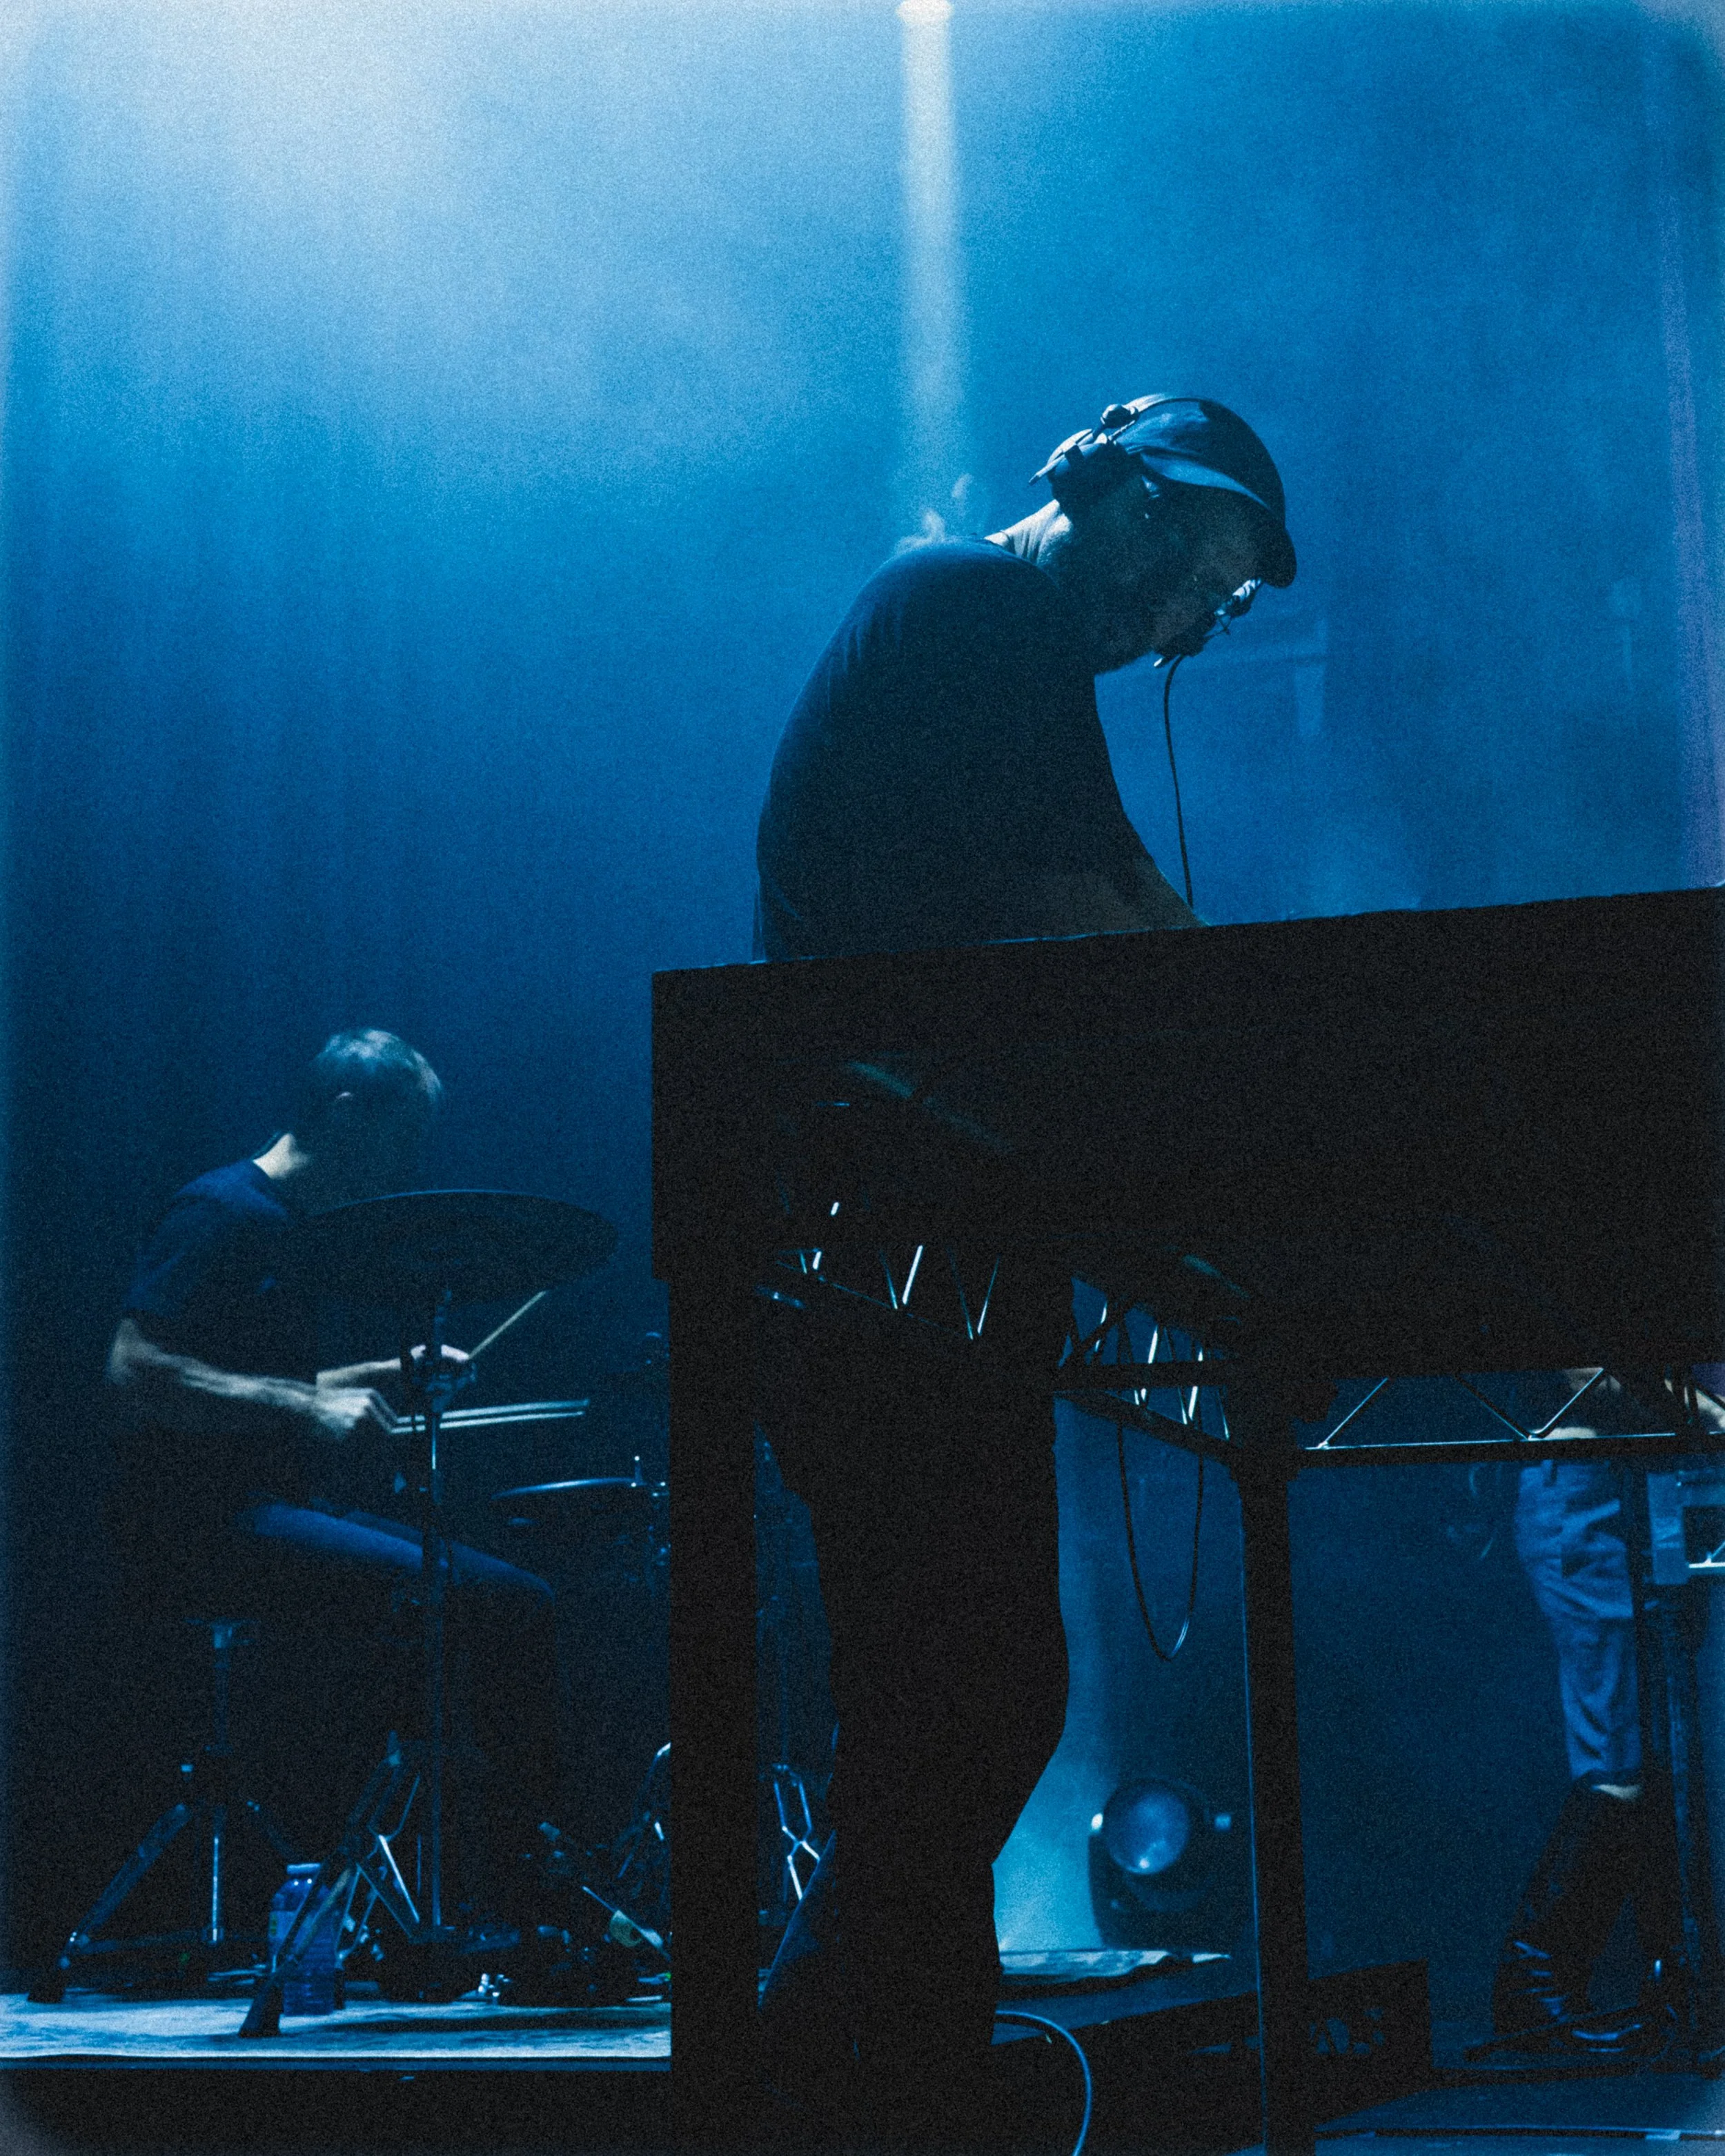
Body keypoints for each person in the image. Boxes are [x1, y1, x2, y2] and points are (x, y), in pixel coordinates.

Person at [753, 397, 1297, 2148]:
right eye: (1208, 582)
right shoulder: (963, 607)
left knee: (967, 1689)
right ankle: (812, 2084)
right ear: (1131, 505)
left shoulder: (1015, 660)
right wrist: (1293, 1080)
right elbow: (1091, 907)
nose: (1206, 630)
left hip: (933, 1251)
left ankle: (894, 2076)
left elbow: (1126, 894)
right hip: (865, 1250)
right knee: (953, 1689)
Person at [103, 1027, 562, 1939]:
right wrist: (306, 1410)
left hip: (275, 1509)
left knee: (506, 1598)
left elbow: (272, 1384)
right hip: (202, 1528)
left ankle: (442, 1900)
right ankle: (516, 1897)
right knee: (500, 1610)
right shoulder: (224, 1214)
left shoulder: (288, 1231)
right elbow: (136, 1366)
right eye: (405, 1139)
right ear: (347, 1116)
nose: (410, 1165)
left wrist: (388, 1374)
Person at [1492, 1367, 1725, 2057]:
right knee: (1618, 1760)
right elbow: (1582, 1374)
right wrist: (1712, 1412)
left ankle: (1677, 1979)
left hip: (1638, 1498)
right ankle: (1531, 1984)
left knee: (1660, 1756)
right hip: (1588, 1503)